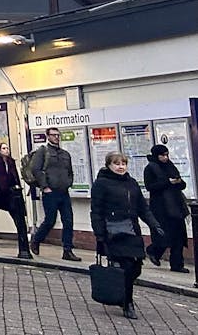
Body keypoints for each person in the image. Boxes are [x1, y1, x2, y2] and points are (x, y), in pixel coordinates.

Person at [92, 151, 164, 319]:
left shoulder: (131, 183)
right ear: (109, 165)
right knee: (125, 267)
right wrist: (100, 235)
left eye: (123, 163)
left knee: (136, 267)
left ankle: (122, 294)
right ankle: (127, 303)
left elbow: (142, 208)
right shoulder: (102, 184)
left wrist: (154, 224)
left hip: (132, 230)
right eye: (117, 164)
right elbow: (96, 211)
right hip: (114, 232)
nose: (121, 167)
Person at [29, 127, 81, 261]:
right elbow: (36, 169)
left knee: (68, 221)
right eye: (53, 135)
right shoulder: (43, 151)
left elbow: (69, 171)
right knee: (50, 220)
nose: (56, 137)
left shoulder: (65, 154)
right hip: (50, 192)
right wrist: (45, 186)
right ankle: (36, 240)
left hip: (63, 192)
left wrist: (69, 182)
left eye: (58, 135)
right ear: (48, 136)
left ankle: (67, 250)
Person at [143, 144, 190, 273]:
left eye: (166, 155)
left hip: (176, 206)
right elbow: (150, 186)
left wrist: (179, 182)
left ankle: (177, 264)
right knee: (164, 235)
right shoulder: (150, 168)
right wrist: (168, 182)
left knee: (178, 236)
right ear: (156, 156)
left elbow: (181, 185)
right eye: (162, 155)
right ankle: (153, 250)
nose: (165, 158)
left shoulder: (170, 166)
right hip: (161, 207)